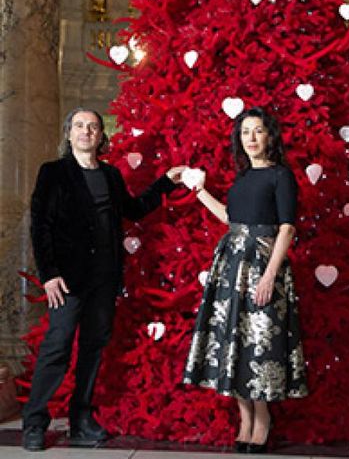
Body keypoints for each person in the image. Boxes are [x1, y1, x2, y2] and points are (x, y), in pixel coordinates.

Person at [22, 107, 184, 452]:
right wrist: (49, 274)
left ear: (100, 135)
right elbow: (41, 226)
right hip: (67, 280)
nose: (86, 131)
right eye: (79, 126)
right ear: (69, 134)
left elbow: (134, 210)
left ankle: (81, 420)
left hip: (105, 278)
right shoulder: (53, 173)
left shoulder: (110, 175)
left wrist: (166, 182)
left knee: (93, 349)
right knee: (58, 347)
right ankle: (35, 422)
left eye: (92, 127)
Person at [183, 106, 308, 454]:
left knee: (259, 342)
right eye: (245, 132)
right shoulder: (241, 179)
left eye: (257, 131)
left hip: (263, 265)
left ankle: (263, 417)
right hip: (231, 266)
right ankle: (244, 419)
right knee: (232, 340)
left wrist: (269, 275)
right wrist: (199, 190)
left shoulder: (281, 176)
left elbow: (287, 227)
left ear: (270, 136)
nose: (251, 138)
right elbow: (229, 216)